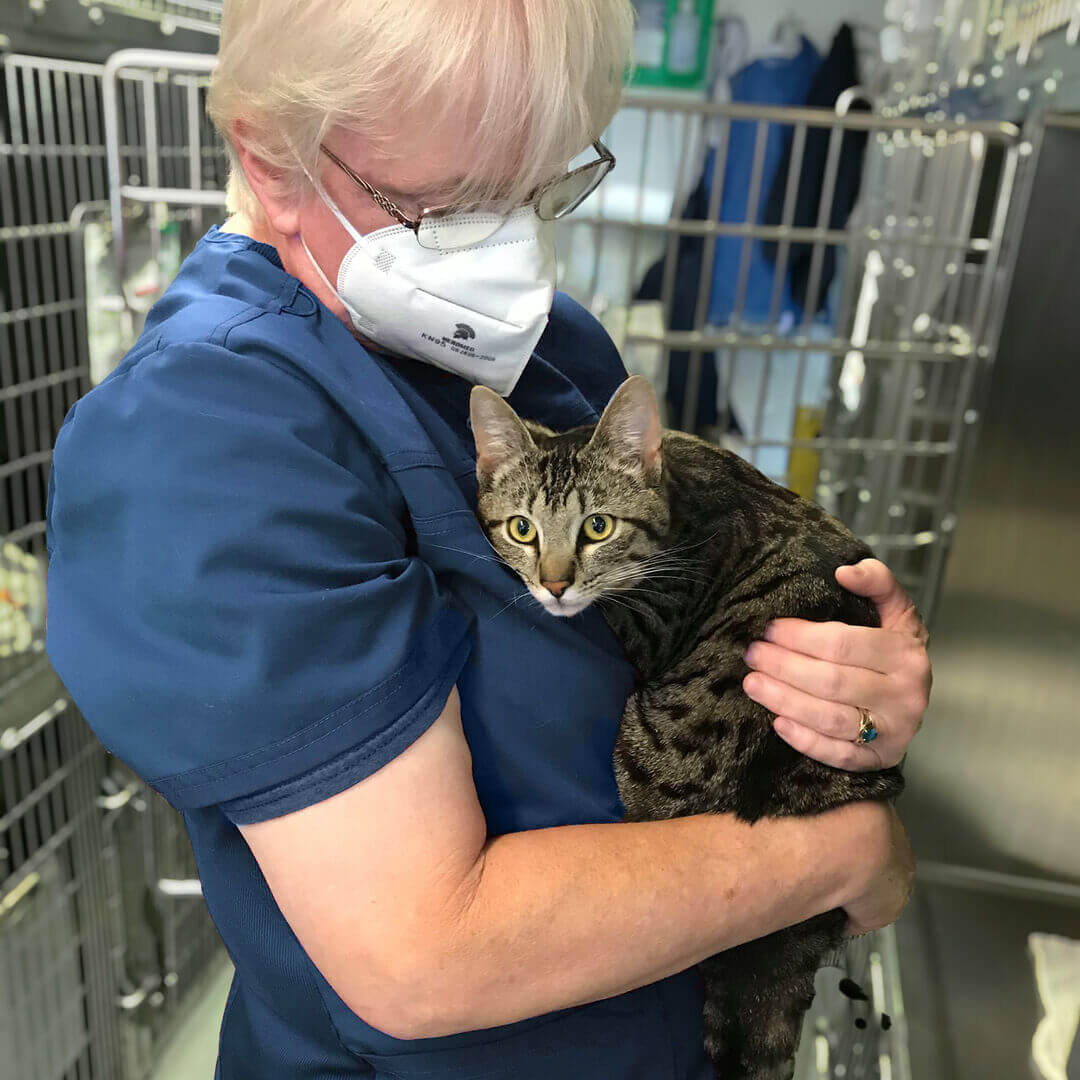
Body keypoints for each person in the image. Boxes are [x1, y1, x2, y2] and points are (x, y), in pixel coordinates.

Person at [45, 2, 930, 1077]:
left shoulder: (544, 346)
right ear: (273, 159)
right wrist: (846, 849)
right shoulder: (204, 440)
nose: (511, 252)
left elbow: (693, 617)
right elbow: (427, 956)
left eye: (540, 187)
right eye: (453, 206)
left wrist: (845, 701)